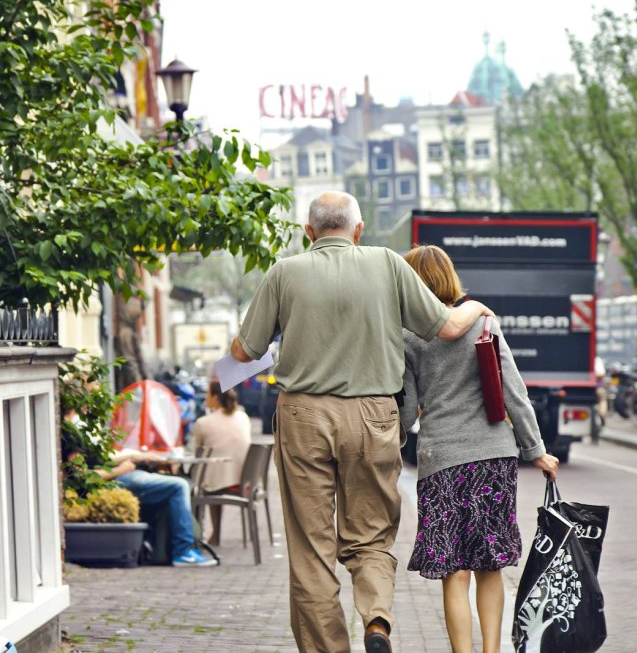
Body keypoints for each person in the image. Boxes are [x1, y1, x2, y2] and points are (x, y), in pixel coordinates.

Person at [229, 191, 492, 653]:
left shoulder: (284, 273)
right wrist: (478, 308)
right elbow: (449, 327)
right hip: (372, 414)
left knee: (311, 548)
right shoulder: (387, 263)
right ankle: (376, 620)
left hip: (303, 415)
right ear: (358, 230)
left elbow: (243, 352)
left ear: (308, 232)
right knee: (370, 535)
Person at [399, 245, 559, 653]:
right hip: (492, 457)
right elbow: (513, 392)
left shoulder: (407, 337)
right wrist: (536, 450)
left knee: (454, 571)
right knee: (491, 565)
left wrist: (387, 441)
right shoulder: (483, 323)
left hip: (441, 460)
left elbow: (407, 408)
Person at [62, 409, 217, 568]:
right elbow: (82, 477)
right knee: (179, 485)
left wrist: (136, 457)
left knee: (172, 484)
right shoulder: (72, 432)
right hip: (111, 481)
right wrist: (121, 470)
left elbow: (98, 461)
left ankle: (162, 546)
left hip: (114, 477)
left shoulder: (76, 426)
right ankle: (183, 551)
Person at [190, 379, 252, 545]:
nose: (205, 398)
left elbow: (197, 454)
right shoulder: (243, 417)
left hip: (216, 483)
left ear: (215, 397)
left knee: (197, 486)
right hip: (245, 479)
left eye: (207, 394)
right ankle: (213, 534)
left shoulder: (203, 423)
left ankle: (196, 536)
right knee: (215, 475)